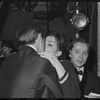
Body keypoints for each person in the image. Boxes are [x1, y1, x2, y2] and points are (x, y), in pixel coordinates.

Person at [0, 23, 64, 98]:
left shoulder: (6, 61)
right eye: (44, 40)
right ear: (40, 37)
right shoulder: (42, 62)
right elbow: (59, 95)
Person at [39, 32, 81, 98]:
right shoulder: (34, 63)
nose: (43, 46)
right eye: (42, 42)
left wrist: (56, 63)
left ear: (58, 53)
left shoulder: (65, 65)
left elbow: (74, 95)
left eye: (49, 44)